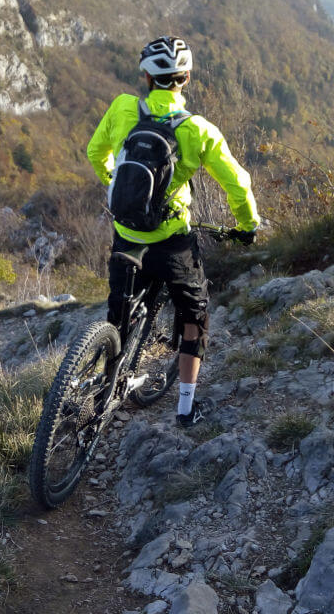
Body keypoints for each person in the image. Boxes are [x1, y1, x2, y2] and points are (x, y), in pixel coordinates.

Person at [87, 36, 260, 427]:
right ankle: (185, 408)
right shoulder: (198, 129)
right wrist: (247, 226)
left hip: (126, 232)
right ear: (186, 78)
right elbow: (239, 184)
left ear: (145, 76)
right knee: (193, 315)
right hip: (172, 242)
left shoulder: (122, 107)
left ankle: (105, 381)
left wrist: (117, 184)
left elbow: (95, 152)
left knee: (120, 311)